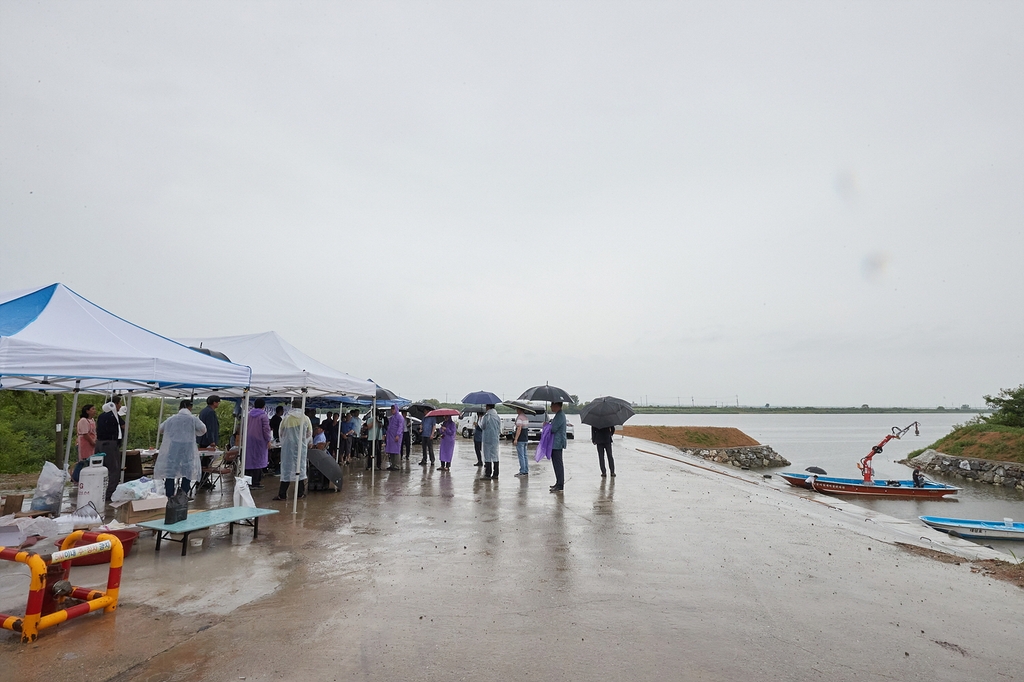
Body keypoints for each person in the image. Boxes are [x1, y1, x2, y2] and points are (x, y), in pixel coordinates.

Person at [154, 400, 206, 499]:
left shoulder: (171, 419)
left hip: (174, 447)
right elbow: (203, 429)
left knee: (171, 470)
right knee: (187, 469)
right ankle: (183, 493)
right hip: (187, 447)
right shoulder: (193, 419)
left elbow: (161, 429)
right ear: (189, 407)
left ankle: (169, 494)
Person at [274, 398, 312, 501]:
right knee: (299, 469)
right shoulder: (305, 419)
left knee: (287, 470)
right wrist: (304, 442)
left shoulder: (286, 419)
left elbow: (280, 433)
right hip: (301, 448)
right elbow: (309, 434)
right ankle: (300, 493)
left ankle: (282, 494)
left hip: (288, 448)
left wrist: (285, 442)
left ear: (292, 406)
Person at [95, 395, 126, 501]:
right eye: (119, 403)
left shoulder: (101, 415)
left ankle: (98, 492)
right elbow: (124, 426)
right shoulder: (114, 416)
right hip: (110, 444)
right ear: (114, 404)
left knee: (100, 469)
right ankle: (110, 494)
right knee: (114, 469)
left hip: (99, 443)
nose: (120, 406)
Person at [245, 397, 272, 489]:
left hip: (248, 440)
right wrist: (268, 440)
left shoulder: (248, 415)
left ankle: (247, 482)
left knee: (248, 460)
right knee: (259, 461)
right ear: (264, 406)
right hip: (260, 441)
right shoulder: (263, 416)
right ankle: (256, 482)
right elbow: (266, 430)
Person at [196, 395, 221, 490]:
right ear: (214, 402)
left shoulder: (204, 411)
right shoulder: (210, 412)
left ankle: (202, 481)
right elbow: (210, 428)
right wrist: (212, 441)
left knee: (204, 462)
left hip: (202, 439)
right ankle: (202, 481)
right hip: (207, 441)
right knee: (206, 463)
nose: (218, 404)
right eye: (218, 402)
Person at [72, 404, 97, 483]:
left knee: (89, 460)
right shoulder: (83, 420)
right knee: (83, 461)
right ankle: (76, 478)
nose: (94, 411)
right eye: (92, 409)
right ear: (87, 411)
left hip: (91, 443)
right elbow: (85, 433)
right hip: (84, 443)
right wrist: (92, 442)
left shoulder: (92, 420)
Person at [549, 402, 567, 492]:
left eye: (552, 405)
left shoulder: (560, 415)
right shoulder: (558, 415)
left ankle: (560, 485)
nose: (551, 407)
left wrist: (547, 426)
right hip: (554, 443)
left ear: (557, 406)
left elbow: (553, 429)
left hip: (557, 443)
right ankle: (558, 482)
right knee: (556, 464)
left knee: (558, 464)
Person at [480, 404, 501, 479]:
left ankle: (488, 474)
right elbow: (499, 427)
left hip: (487, 438)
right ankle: (496, 474)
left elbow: (483, 426)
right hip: (495, 438)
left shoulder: (486, 416)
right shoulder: (497, 416)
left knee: (487, 456)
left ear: (488, 407)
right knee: (495, 455)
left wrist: (480, 420)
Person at [384, 404, 405, 470]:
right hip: (390, 436)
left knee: (396, 451)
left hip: (396, 436)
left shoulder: (400, 417)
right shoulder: (392, 417)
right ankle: (392, 464)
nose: (392, 410)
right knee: (391, 450)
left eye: (393, 409)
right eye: (391, 409)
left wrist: (398, 435)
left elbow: (400, 427)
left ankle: (397, 465)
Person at [513, 407, 530, 476]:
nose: (516, 410)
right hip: (525, 438)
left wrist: (516, 439)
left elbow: (519, 429)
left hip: (521, 439)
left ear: (520, 410)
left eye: (517, 409)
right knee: (525, 455)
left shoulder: (520, 418)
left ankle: (522, 471)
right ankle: (526, 469)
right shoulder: (525, 417)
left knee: (521, 456)